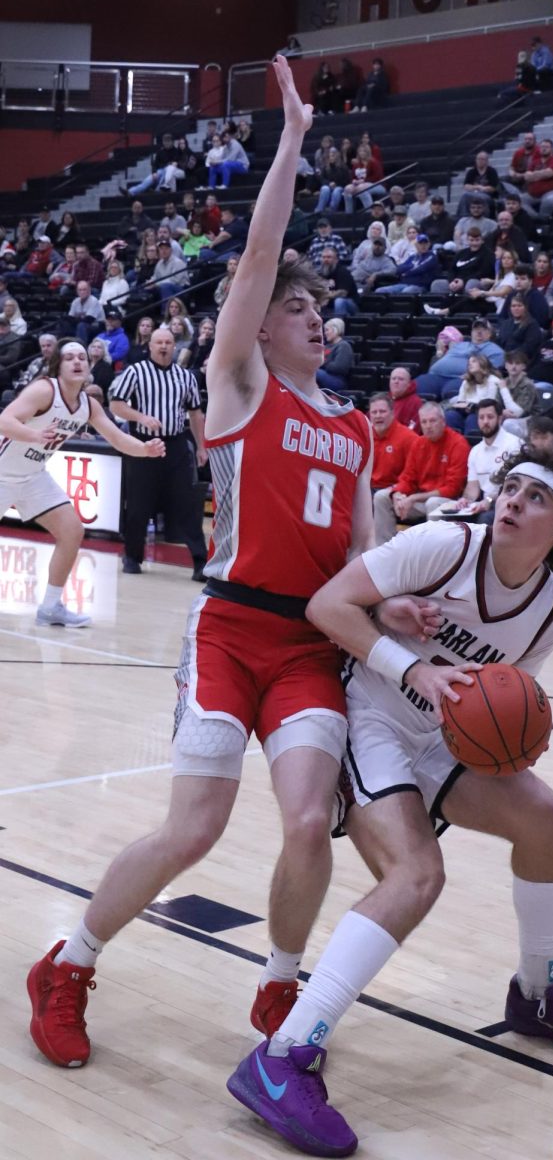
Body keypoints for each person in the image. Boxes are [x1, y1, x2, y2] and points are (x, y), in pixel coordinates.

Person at [26, 54, 375, 1077]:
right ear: (260, 325)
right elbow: (261, 253)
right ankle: (70, 961)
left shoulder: (354, 424)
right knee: (194, 832)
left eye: (322, 310)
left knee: (311, 819)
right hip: (228, 628)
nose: (314, 316)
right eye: (296, 307)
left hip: (311, 644)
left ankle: (280, 974)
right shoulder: (236, 386)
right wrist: (296, 141)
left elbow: (365, 553)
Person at [229, 444, 553, 1156]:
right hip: (369, 714)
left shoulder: (549, 613)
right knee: (417, 874)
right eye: (510, 488)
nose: (511, 502)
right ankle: (282, 1058)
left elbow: (500, 697)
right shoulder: (442, 543)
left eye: (535, 499)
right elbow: (328, 605)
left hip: (438, 734)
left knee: (547, 819)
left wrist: (509, 739)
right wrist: (411, 667)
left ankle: (537, 992)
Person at [0, 338, 164, 627]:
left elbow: (117, 438)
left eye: (82, 358)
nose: (77, 362)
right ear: (58, 366)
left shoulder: (88, 405)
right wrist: (35, 436)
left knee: (72, 531)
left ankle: (50, 607)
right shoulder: (44, 390)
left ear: (89, 366)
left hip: (32, 475)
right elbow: (5, 420)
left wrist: (144, 449)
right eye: (69, 358)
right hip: (2, 472)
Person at [106, 327, 208, 577]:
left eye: (168, 342)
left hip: (175, 444)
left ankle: (200, 562)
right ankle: (132, 557)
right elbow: (116, 404)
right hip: (142, 444)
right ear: (150, 346)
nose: (163, 346)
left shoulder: (187, 377)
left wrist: (202, 446)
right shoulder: (135, 371)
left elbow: (195, 413)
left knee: (187, 503)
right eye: (159, 342)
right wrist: (141, 416)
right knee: (139, 503)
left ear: (174, 347)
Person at [372, 401, 470, 543]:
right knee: (381, 497)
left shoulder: (458, 444)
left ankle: (432, 552)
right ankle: (384, 548)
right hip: (420, 500)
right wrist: (397, 494)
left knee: (433, 502)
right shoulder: (419, 443)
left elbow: (452, 489)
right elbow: (408, 477)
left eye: (432, 421)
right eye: (424, 422)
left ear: (443, 421)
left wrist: (413, 498)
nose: (428, 426)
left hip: (449, 502)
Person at [436, 398, 521, 522]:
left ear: (500, 418)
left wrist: (489, 500)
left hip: (509, 503)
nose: (485, 421)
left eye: (490, 417)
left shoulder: (514, 445)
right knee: (449, 518)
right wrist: (465, 500)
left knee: (484, 519)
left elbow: (515, 487)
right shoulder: (475, 451)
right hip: (484, 504)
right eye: (481, 418)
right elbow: (472, 489)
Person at [416, 317, 504, 400]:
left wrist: (470, 376)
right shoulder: (460, 344)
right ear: (471, 332)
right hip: (435, 375)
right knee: (415, 386)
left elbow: (492, 372)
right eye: (476, 329)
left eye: (484, 329)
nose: (479, 332)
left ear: (490, 334)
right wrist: (440, 353)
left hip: (462, 379)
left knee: (451, 393)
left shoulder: (495, 351)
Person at [443, 352, 502, 435]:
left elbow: (491, 404)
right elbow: (461, 401)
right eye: (469, 362)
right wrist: (464, 406)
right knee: (450, 415)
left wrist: (472, 406)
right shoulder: (466, 382)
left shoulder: (493, 381)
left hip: (483, 413)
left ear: (482, 363)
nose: (470, 364)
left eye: (474, 361)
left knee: (472, 418)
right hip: (465, 411)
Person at [368, 391, 416, 492]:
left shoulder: (408, 438)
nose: (378, 416)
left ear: (392, 413)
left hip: (392, 490)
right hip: (367, 488)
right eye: (374, 412)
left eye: (382, 411)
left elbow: (413, 474)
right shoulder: (364, 436)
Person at [456, 151, 500, 218]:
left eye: (482, 159)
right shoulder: (471, 171)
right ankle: (463, 217)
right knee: (464, 196)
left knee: (481, 198)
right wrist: (478, 187)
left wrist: (482, 189)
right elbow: (466, 186)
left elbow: (493, 188)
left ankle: (485, 218)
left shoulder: (492, 171)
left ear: (487, 161)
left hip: (488, 196)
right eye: (478, 159)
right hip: (473, 194)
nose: (479, 161)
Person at [317, 318, 354, 391]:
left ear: (336, 330)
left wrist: (322, 362)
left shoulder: (344, 345)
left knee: (315, 373)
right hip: (324, 375)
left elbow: (339, 368)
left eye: (327, 330)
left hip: (337, 380)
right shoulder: (326, 346)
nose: (325, 333)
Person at [389, 365, 423, 431]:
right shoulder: (384, 400)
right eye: (393, 378)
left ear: (409, 384)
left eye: (401, 379)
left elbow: (413, 430)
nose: (396, 381)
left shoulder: (415, 403)